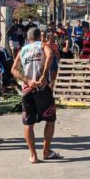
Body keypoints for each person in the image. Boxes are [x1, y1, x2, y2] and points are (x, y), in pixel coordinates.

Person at [11, 27, 61, 164]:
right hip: (42, 88)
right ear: (40, 36)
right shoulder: (43, 45)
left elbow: (13, 70)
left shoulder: (23, 50)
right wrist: (44, 75)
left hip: (27, 89)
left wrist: (27, 80)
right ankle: (46, 150)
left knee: (28, 123)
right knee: (50, 119)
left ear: (27, 38)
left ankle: (33, 155)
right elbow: (50, 55)